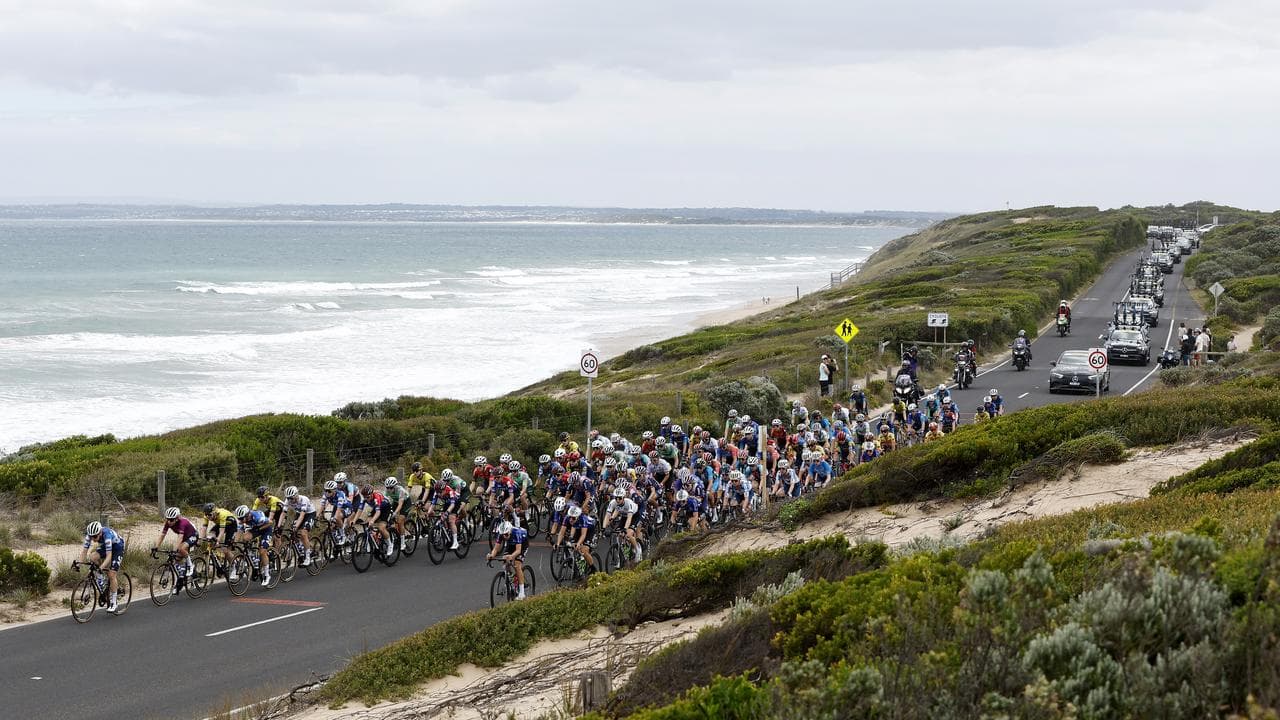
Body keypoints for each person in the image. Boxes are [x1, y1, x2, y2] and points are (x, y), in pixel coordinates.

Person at [80, 521, 125, 612]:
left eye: (95, 536)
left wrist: (101, 568)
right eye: (91, 536)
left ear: (100, 532)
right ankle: (101, 580)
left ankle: (114, 602)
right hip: (106, 546)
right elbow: (84, 551)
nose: (93, 539)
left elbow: (109, 556)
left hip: (117, 547)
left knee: (112, 574)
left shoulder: (107, 535)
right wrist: (79, 564)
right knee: (92, 557)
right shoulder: (90, 535)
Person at [154, 507, 198, 593]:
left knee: (180, 548)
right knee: (176, 559)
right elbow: (162, 535)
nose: (169, 522)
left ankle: (190, 565)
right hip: (185, 537)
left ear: (177, 518)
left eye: (171, 520)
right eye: (168, 519)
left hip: (193, 536)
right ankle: (181, 579)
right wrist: (156, 547)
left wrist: (174, 550)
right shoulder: (168, 523)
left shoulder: (182, 522)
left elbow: (180, 538)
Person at [486, 521, 530, 600]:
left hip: (522, 544)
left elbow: (518, 551)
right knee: (505, 560)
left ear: (510, 531)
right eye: (503, 535)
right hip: (511, 544)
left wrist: (512, 556)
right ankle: (512, 579)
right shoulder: (502, 534)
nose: (504, 537)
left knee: (517, 565)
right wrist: (491, 555)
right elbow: (496, 548)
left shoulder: (517, 533)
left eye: (506, 534)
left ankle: (522, 593)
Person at [234, 504, 274, 587]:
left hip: (266, 529)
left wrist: (259, 529)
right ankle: (252, 558)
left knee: (262, 551)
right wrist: (235, 543)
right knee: (245, 538)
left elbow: (270, 522)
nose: (240, 520)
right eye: (239, 518)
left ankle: (267, 575)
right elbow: (239, 532)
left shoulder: (258, 517)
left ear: (247, 515)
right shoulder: (243, 519)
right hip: (256, 528)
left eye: (241, 518)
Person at [200, 503, 240, 579]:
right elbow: (204, 528)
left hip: (231, 526)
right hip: (220, 524)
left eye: (210, 515)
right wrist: (201, 540)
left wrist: (218, 540)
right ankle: (218, 556)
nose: (208, 517)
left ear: (215, 512)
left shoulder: (221, 514)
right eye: (207, 515)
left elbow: (222, 531)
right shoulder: (206, 516)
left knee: (226, 550)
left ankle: (234, 567)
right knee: (210, 536)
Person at [283, 485, 318, 566]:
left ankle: (308, 558)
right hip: (299, 514)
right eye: (288, 498)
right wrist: (279, 526)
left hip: (309, 514)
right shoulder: (288, 500)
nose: (289, 500)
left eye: (291, 498)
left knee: (303, 533)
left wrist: (296, 526)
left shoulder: (303, 500)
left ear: (296, 495)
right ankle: (302, 547)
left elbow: (303, 516)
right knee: (292, 532)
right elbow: (283, 513)